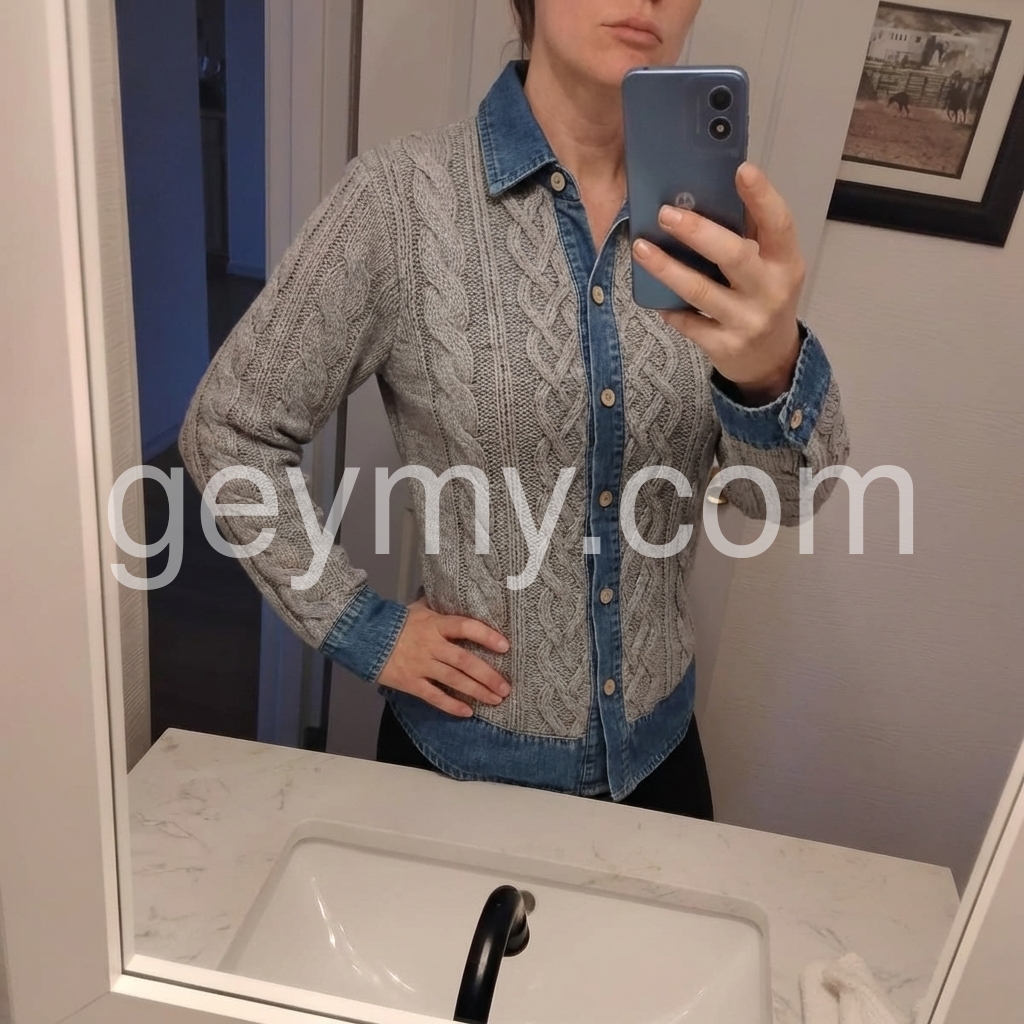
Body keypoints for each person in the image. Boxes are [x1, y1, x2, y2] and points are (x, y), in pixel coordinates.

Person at [179, 0, 850, 821]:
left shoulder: (718, 228)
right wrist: (358, 625)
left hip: (661, 765)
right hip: (461, 767)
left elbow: (784, 498)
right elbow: (230, 427)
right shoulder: (400, 203)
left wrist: (768, 371)